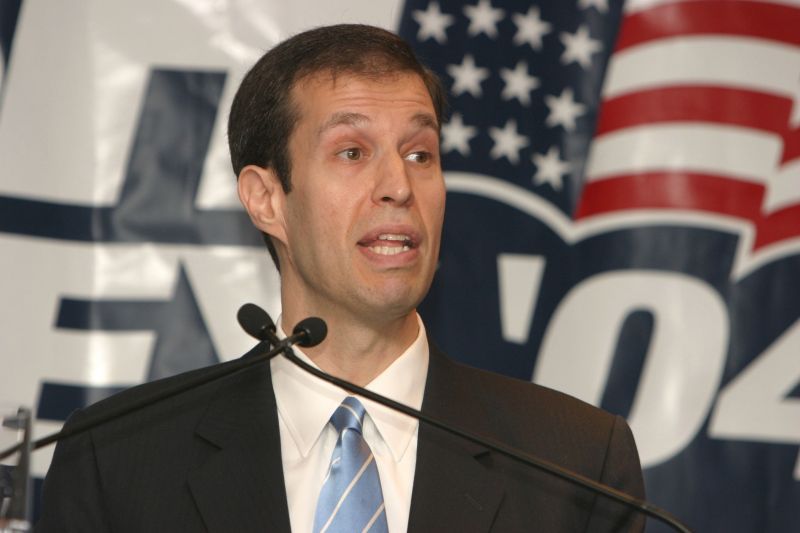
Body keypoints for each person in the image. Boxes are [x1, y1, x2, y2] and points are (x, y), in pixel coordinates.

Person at [36, 24, 644, 532]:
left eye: (420, 154)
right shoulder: (118, 459)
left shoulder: (574, 464)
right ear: (267, 199)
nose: (399, 186)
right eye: (352, 152)